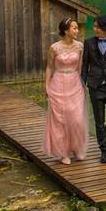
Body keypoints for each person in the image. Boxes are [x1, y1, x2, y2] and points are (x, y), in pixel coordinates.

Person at [42, 17, 88, 165]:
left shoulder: (80, 46)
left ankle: (77, 148)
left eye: (77, 28)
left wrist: (82, 85)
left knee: (76, 119)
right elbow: (49, 67)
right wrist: (47, 86)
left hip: (75, 83)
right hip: (58, 83)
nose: (77, 30)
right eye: (74, 28)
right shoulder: (54, 47)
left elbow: (80, 68)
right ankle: (64, 153)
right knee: (60, 120)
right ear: (66, 31)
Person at [80, 14, 106, 163]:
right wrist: (82, 83)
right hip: (95, 86)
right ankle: (104, 150)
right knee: (99, 120)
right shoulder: (89, 43)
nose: (95, 29)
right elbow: (85, 65)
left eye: (97, 26)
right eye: (94, 26)